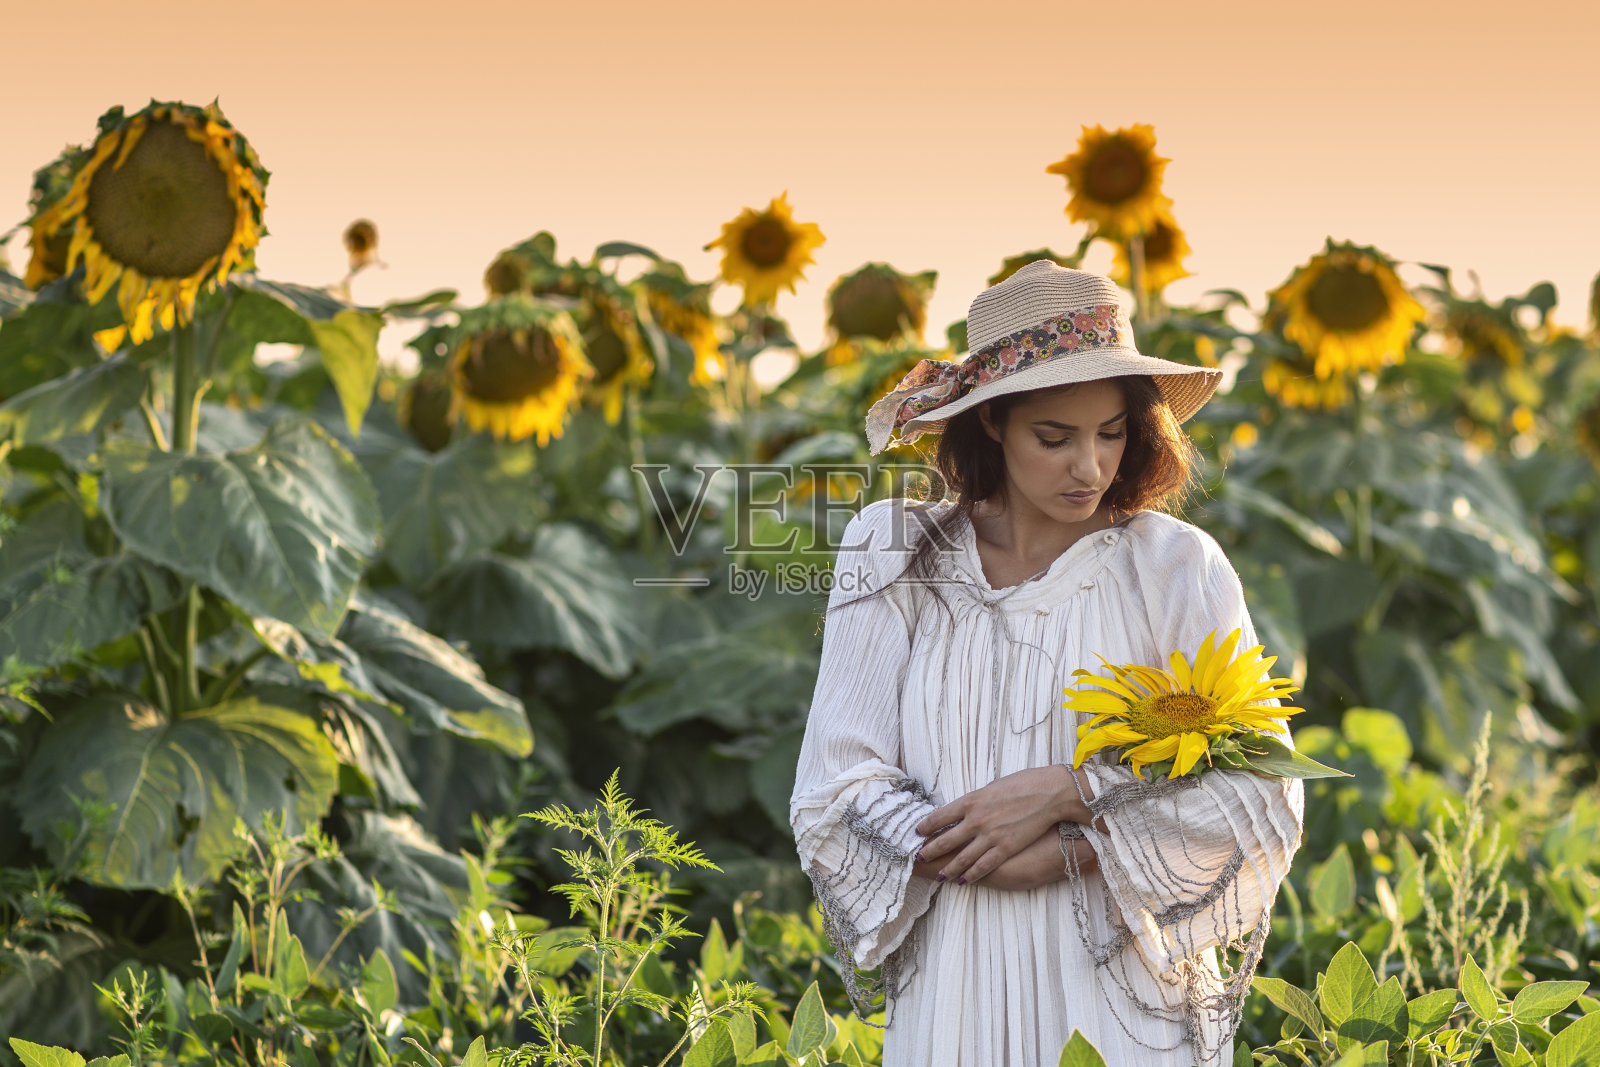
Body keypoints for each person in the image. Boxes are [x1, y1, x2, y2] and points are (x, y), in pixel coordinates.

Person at [789, 261, 1306, 1067]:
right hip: (953, 993)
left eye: (1112, 433)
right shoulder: (892, 552)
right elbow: (833, 788)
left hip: (1125, 1006)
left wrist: (1075, 809)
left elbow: (1264, 792)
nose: (1090, 469)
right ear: (991, 421)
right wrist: (972, 846)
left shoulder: (1174, 567)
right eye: (1054, 437)